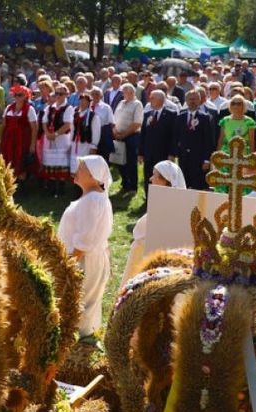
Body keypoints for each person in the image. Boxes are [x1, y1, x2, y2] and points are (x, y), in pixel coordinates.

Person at [58, 155, 113, 341]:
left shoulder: (92, 200)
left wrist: (68, 265)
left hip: (83, 261)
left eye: (81, 168)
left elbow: (85, 239)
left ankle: (78, 343)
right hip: (87, 259)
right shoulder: (93, 198)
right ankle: (81, 339)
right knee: (84, 304)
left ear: (93, 175)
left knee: (81, 304)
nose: (76, 171)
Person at [121, 160, 186, 286]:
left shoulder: (165, 208)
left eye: (155, 175)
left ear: (166, 181)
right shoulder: (167, 205)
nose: (150, 179)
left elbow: (140, 233)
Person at [174, 90, 216, 190]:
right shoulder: (180, 117)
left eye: (195, 99)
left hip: (199, 159)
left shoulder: (205, 118)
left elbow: (209, 140)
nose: (192, 101)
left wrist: (207, 159)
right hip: (183, 157)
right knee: (184, 184)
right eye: (190, 99)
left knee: (199, 185)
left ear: (200, 100)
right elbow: (176, 137)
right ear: (186, 101)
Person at [139, 90, 177, 195]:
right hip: (148, 153)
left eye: (152, 98)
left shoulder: (171, 114)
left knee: (162, 177)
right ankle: (148, 199)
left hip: (163, 153)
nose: (149, 100)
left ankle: (161, 198)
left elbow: (173, 136)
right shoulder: (147, 114)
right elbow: (143, 134)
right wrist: (141, 153)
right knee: (148, 177)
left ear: (160, 100)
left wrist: (172, 154)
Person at [38, 85, 75, 192]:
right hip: (49, 137)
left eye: (61, 94)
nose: (58, 96)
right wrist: (47, 133)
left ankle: (61, 188)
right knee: (50, 160)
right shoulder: (49, 107)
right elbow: (44, 121)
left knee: (61, 160)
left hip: (62, 138)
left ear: (66, 95)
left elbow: (67, 124)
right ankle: (51, 186)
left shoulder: (68, 108)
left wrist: (55, 134)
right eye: (56, 93)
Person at [0, 85, 38, 180]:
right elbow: (3, 125)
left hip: (23, 140)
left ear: (26, 96)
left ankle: (21, 187)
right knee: (8, 160)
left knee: (21, 161)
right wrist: (0, 139)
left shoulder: (29, 109)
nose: (17, 97)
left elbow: (34, 128)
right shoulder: (8, 108)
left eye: (20, 95)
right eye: (15, 95)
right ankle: (10, 183)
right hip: (8, 139)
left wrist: (32, 144)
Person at [111, 84, 144, 192]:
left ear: (131, 92)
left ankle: (133, 186)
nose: (122, 94)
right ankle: (125, 183)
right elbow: (114, 119)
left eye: (124, 92)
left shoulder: (137, 104)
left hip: (131, 136)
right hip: (118, 136)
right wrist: (115, 132)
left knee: (130, 162)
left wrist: (124, 135)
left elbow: (137, 123)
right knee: (120, 161)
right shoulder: (121, 103)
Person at [71, 93, 102, 172]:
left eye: (84, 101)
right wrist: (70, 142)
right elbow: (72, 130)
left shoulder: (93, 116)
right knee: (75, 164)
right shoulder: (75, 114)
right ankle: (76, 181)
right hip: (76, 143)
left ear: (89, 103)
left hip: (86, 144)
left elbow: (96, 132)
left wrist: (93, 146)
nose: (82, 103)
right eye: (81, 101)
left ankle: (83, 182)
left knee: (85, 164)